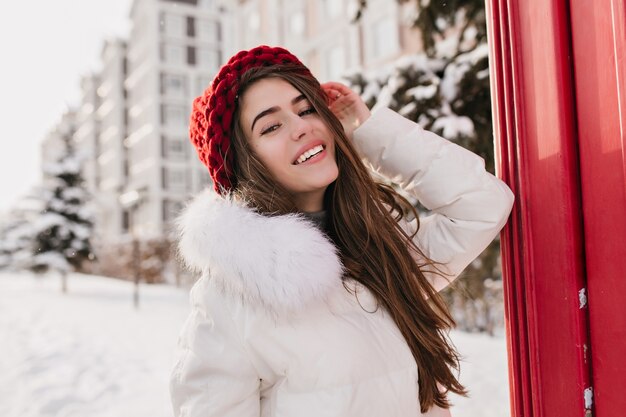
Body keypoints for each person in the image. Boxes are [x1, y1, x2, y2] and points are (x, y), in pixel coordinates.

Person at [170, 45, 514, 417]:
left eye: (306, 109)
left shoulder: (382, 249)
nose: (302, 126)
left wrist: (368, 132)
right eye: (271, 126)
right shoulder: (229, 298)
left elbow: (482, 206)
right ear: (246, 166)